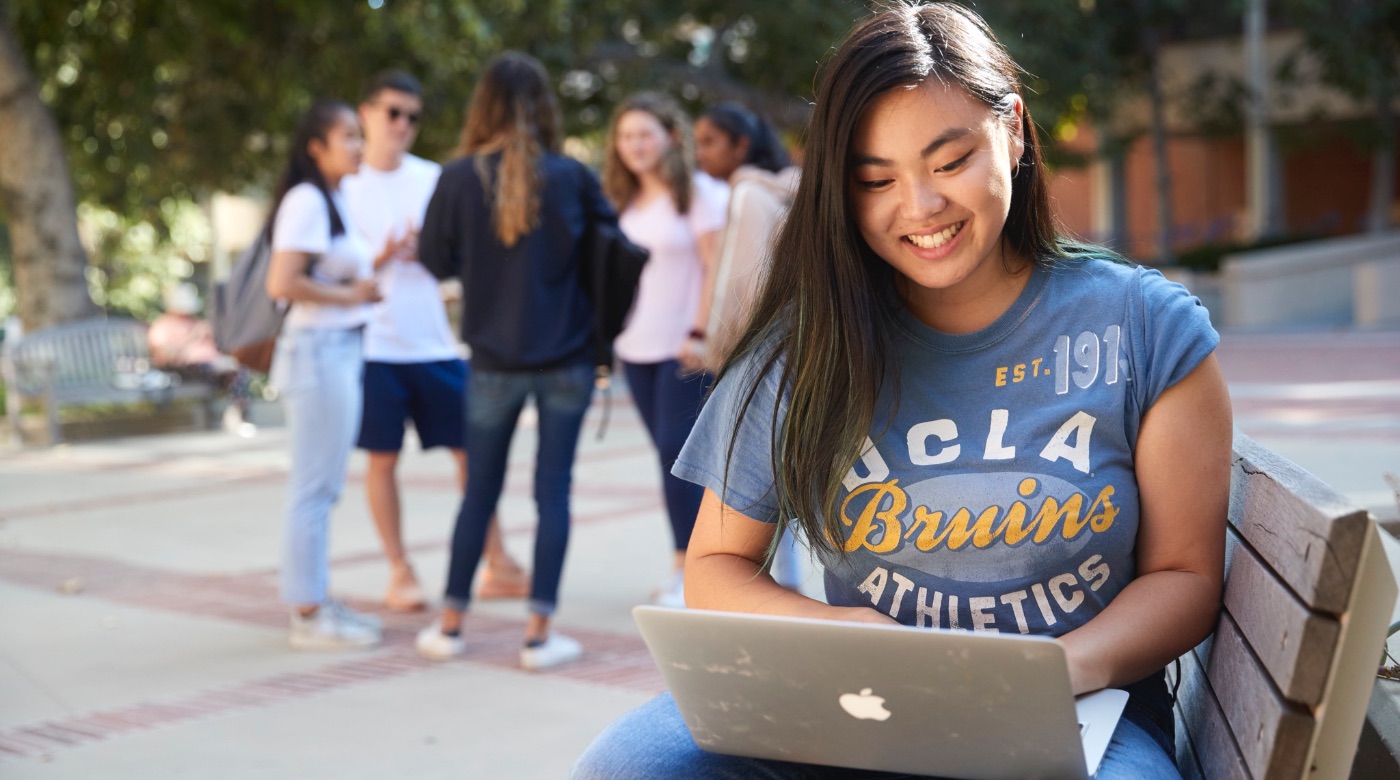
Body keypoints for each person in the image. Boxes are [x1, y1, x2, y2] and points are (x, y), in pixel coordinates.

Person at [574, 3, 1231, 778]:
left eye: (949, 163)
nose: (919, 208)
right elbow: (715, 564)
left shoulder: (1140, 326)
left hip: (1082, 707)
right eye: (876, 180)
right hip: (859, 703)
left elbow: (1184, 576)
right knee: (627, 765)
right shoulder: (807, 345)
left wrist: (1054, 672)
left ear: (1013, 131)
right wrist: (847, 634)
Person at [416, 52, 611, 669]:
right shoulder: (572, 176)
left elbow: (433, 259)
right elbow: (614, 255)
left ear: (483, 107)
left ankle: (449, 626)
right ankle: (538, 635)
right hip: (567, 360)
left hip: (493, 360)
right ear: (544, 106)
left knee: (479, 494)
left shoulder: (456, 178)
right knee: (552, 492)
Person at [341, 70, 528, 612]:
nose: (402, 124)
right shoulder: (344, 186)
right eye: (392, 112)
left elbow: (469, 253)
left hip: (435, 344)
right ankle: (400, 570)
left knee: (473, 455)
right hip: (374, 346)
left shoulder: (434, 177)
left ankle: (499, 560)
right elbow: (325, 269)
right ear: (366, 112)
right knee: (381, 461)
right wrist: (381, 255)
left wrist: (430, 251)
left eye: (411, 116)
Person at [265, 100, 385, 650]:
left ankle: (315, 602)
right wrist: (351, 295)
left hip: (334, 347)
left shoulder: (330, 198)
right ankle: (308, 613)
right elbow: (282, 283)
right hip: (317, 351)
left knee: (323, 486)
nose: (359, 146)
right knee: (314, 489)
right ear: (317, 147)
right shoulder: (308, 199)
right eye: (348, 137)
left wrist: (367, 280)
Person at [601, 92, 729, 608]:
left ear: (670, 137)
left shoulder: (698, 193)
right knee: (665, 458)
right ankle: (690, 564)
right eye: (626, 136)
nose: (635, 145)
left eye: (644, 134)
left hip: (686, 349)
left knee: (682, 460)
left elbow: (716, 266)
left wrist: (700, 333)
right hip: (635, 347)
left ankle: (689, 570)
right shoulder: (621, 198)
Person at [692, 101, 805, 589]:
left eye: (709, 142)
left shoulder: (748, 196)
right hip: (803, 340)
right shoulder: (794, 189)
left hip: (758, 352)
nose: (699, 155)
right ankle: (792, 576)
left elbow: (739, 284)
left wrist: (715, 348)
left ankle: (773, 585)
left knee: (750, 481)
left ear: (741, 145)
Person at [147, 281, 254, 435]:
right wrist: (192, 338)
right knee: (219, 369)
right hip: (186, 368)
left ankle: (236, 414)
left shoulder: (197, 322)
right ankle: (232, 415)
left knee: (238, 370)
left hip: (214, 366)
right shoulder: (163, 326)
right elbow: (163, 356)